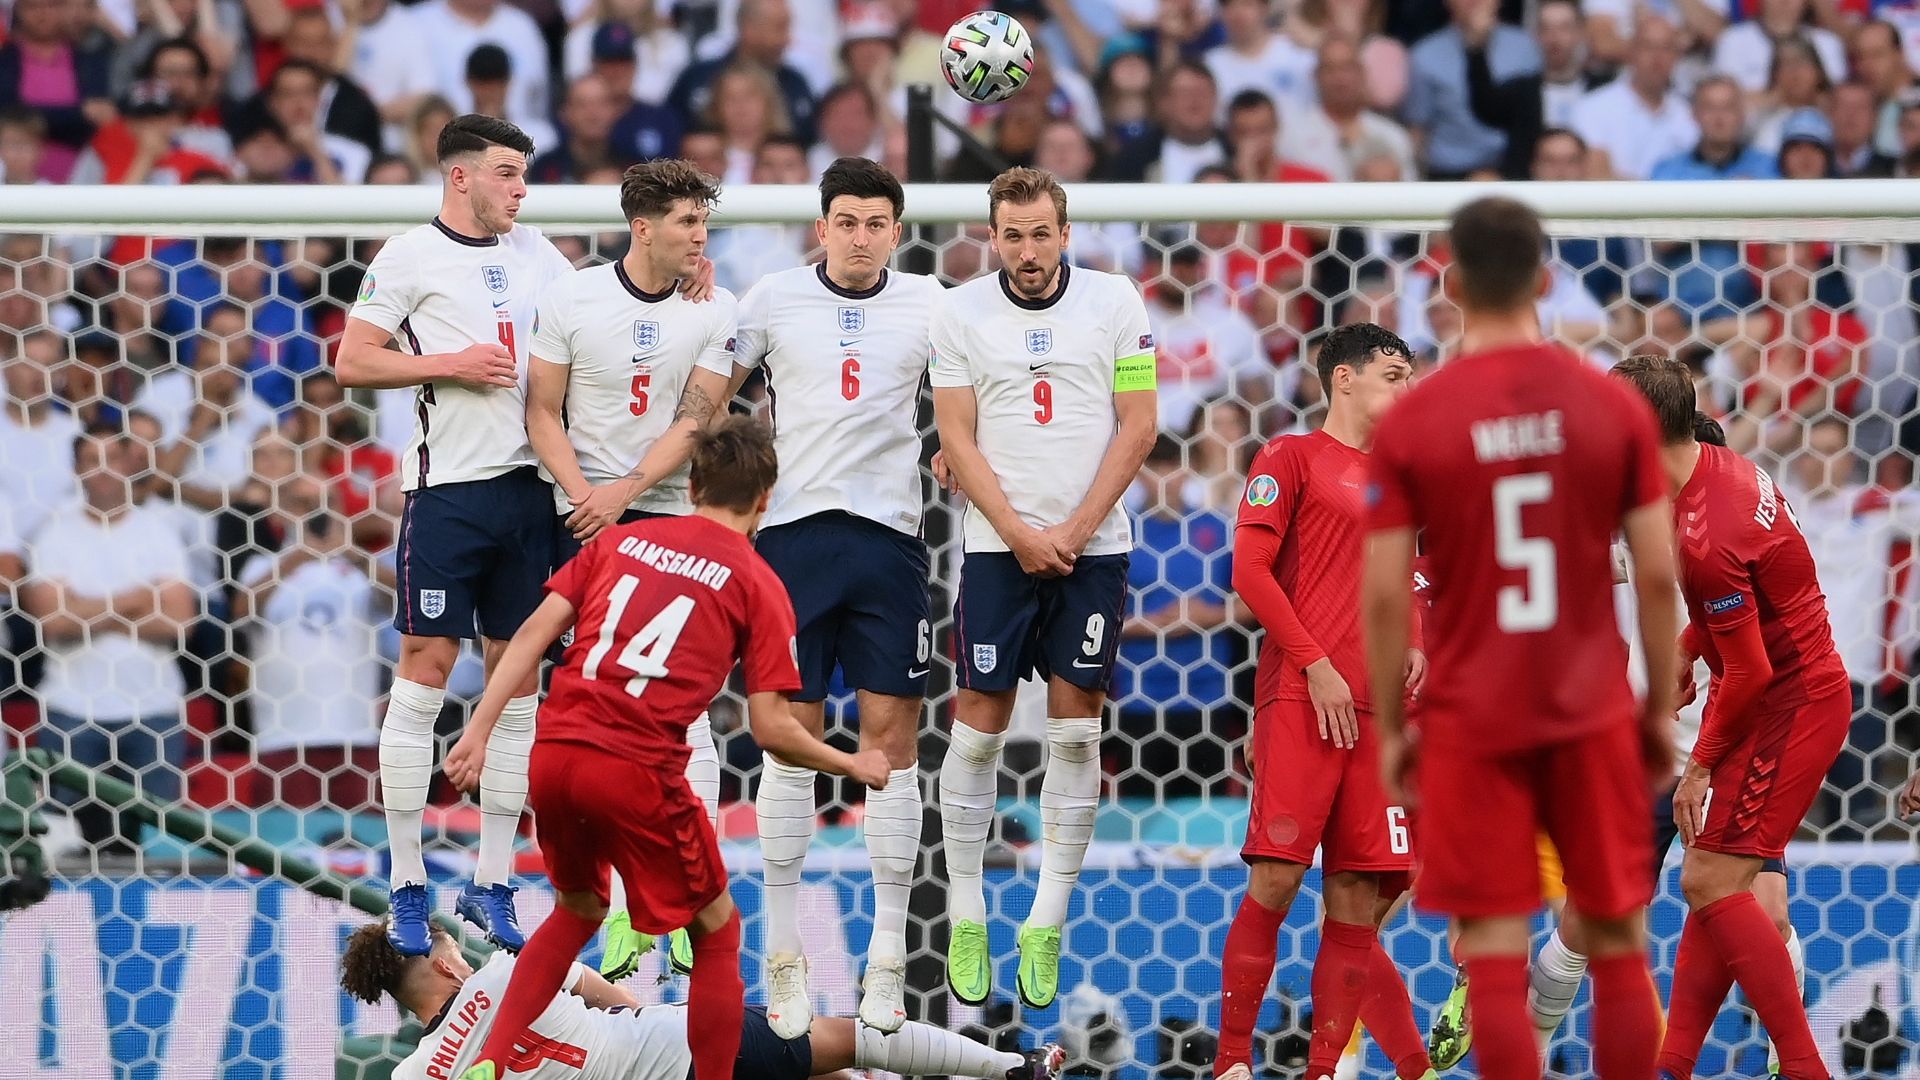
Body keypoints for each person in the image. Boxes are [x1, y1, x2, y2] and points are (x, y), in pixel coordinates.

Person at [439, 417, 890, 1080]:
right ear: (767, 499)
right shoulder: (759, 584)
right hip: (635, 767)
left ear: (692, 483)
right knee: (717, 930)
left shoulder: (625, 542)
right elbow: (773, 730)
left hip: (556, 753)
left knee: (579, 907)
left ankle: (490, 1064)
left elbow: (532, 632)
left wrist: (477, 730)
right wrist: (854, 764)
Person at [1360, 195, 1681, 1080]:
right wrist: (1655, 708)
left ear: (1452, 283)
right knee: (1617, 945)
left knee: (1494, 954)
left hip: (1473, 719)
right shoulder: (1607, 406)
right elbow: (1657, 573)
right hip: (1588, 708)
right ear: (1545, 280)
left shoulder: (1415, 421)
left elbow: (1385, 594)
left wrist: (1392, 726)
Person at [703, 157, 938, 1036]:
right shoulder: (769, 299)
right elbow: (713, 394)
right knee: (790, 743)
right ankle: (784, 954)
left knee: (893, 748)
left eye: (876, 223)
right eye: (846, 220)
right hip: (793, 541)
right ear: (822, 225)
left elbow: (968, 397)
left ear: (896, 232)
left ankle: (883, 961)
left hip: (890, 546)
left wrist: (958, 449)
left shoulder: (931, 304)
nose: (860, 237)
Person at [336, 114, 577, 956]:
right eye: (508, 173)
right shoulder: (407, 256)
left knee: (516, 687)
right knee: (426, 672)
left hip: (529, 497)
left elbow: (602, 315)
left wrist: (684, 281)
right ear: (460, 176)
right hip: (447, 497)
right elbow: (353, 360)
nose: (521, 189)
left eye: (524, 175)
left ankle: (493, 883)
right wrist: (449, 363)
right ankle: (406, 884)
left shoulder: (540, 254)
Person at [929, 166, 1158, 1011]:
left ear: (1066, 233)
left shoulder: (1116, 300)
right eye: (1012, 235)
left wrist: (1072, 531)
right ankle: (964, 908)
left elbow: (1141, 425)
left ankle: (1046, 921)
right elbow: (955, 432)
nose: (1027, 251)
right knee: (978, 733)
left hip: (1093, 551)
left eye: (1041, 233)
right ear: (994, 237)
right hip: (996, 550)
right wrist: (1023, 534)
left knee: (1072, 737)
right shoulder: (959, 312)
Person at [1609, 354, 1850, 1080]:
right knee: (1713, 882)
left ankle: (1805, 1066)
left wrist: (1700, 768)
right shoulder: (1714, 467)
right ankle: (1673, 1066)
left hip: (1790, 705)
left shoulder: (1703, 535)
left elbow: (1750, 671)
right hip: (1787, 691)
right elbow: (1755, 609)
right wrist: (1688, 648)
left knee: (1709, 881)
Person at [524, 157, 735, 981]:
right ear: (643, 226)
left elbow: (697, 419)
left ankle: (681, 906)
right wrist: (587, 494)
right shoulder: (573, 298)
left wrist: (625, 492)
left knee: (687, 714)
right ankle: (618, 913)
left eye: (703, 224)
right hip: (584, 520)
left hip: (672, 518)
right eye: (688, 222)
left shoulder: (713, 308)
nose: (700, 237)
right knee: (595, 717)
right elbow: (541, 407)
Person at [1215, 322, 1431, 1080]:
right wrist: (1314, 663)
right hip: (1306, 699)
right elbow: (1250, 570)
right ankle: (1232, 1064)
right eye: (1396, 374)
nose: (1408, 389)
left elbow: (1410, 577)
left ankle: (1321, 1071)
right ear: (1345, 378)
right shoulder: (1291, 457)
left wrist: (1417, 639)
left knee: (1355, 900)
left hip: (1380, 715)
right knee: (1276, 877)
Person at [339, 922, 1067, 1080]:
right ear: (439, 958)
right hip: (676, 1048)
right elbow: (605, 995)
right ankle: (1013, 1068)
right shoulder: (503, 976)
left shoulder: (413, 1077)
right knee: (846, 1041)